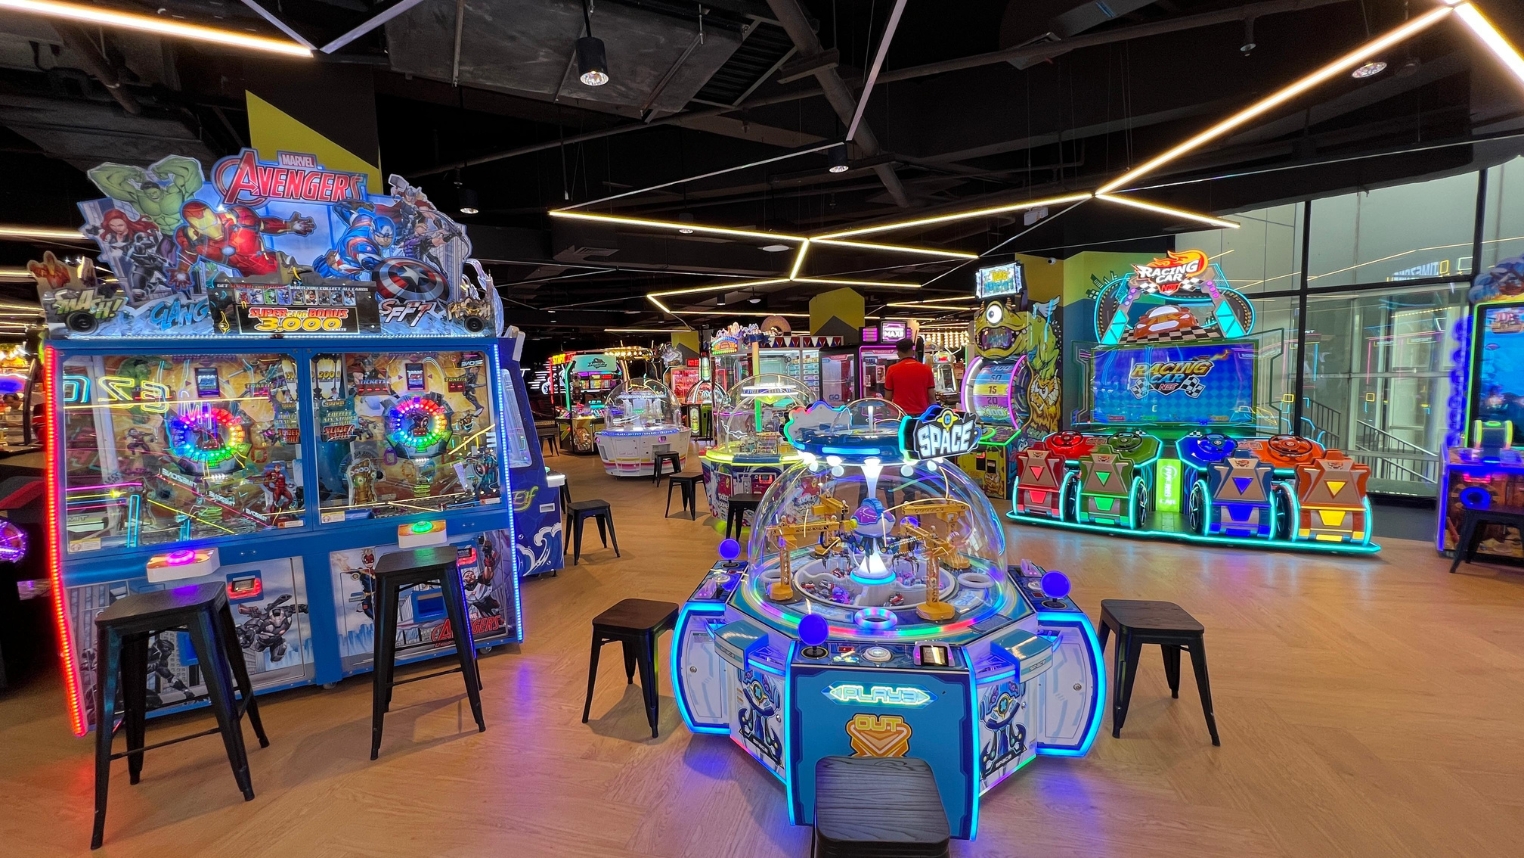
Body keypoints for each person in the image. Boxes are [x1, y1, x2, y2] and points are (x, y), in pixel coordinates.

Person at [882, 338, 935, 416]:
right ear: (913, 351)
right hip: (922, 415)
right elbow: (931, 397)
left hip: (901, 414)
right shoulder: (926, 369)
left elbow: (888, 398)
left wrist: (885, 413)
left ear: (898, 353)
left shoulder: (892, 369)